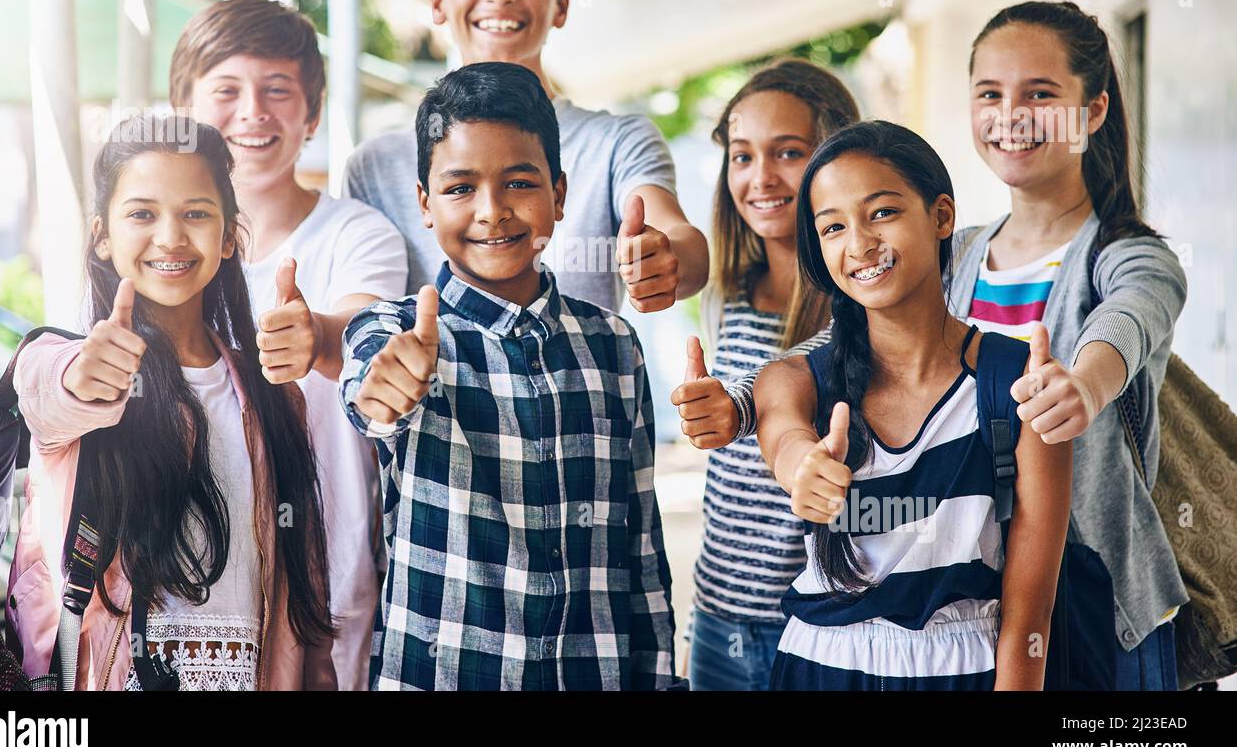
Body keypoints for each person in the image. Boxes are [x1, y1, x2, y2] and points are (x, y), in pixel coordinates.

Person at [340, 62, 680, 690]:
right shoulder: (394, 331)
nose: (492, 213)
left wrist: (660, 678)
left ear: (560, 193)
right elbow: (371, 392)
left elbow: (642, 547)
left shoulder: (614, 346)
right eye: (460, 188)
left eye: (519, 183)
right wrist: (386, 392)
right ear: (423, 202)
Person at [6, 115, 335, 690]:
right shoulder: (69, 364)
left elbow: (304, 597)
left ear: (230, 235)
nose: (171, 237)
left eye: (196, 213)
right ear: (102, 236)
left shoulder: (273, 393)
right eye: (141, 213)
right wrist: (84, 374)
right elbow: (47, 392)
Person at [755, 121, 1072, 690]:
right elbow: (782, 432)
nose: (859, 244)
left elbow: (1030, 613)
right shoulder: (798, 379)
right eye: (832, 227)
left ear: (941, 216)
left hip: (963, 673)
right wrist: (800, 466)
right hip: (818, 671)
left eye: (881, 213)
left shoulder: (1018, 382)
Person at [170, 0, 409, 689]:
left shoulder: (358, 235)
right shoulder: (155, 247)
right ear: (184, 106)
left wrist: (318, 337)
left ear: (313, 112)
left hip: (327, 590)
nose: (253, 112)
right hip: (183, 594)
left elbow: (362, 336)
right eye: (227, 90)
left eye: (278, 90)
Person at [952, 0, 1187, 689]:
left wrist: (1085, 382)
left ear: (1093, 111)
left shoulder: (1127, 254)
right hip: (973, 606)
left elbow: (1132, 315)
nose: (1010, 114)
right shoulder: (953, 257)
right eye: (990, 93)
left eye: (1041, 94)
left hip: (1095, 613)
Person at [343, 0, 708, 315]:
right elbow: (359, 319)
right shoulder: (374, 166)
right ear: (438, 1)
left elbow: (680, 238)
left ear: (562, 5)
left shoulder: (615, 141)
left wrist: (665, 261)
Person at [669, 59, 857, 689]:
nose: (761, 178)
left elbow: (780, 388)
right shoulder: (728, 291)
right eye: (743, 157)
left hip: (821, 622)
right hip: (719, 616)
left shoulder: (864, 302)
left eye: (788, 153)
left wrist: (739, 409)